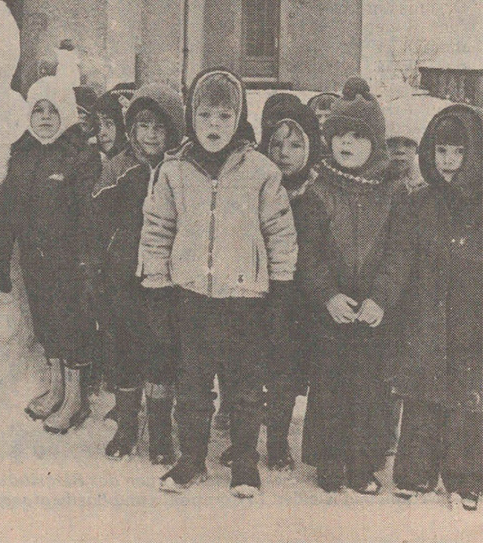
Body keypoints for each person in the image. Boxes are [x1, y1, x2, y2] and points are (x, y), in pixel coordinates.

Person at [139, 68, 296, 497]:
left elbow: (280, 231)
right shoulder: (173, 172)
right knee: (192, 386)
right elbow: (157, 230)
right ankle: (191, 459)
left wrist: (280, 286)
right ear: (192, 117)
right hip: (191, 296)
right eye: (206, 115)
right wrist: (156, 287)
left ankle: (244, 463)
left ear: (239, 118)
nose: (214, 126)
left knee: (246, 387)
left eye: (224, 116)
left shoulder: (261, 171)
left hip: (245, 298)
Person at [372, 104, 483, 510]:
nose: (449, 162)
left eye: (458, 152)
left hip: (473, 321)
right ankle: (415, 474)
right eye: (441, 152)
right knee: (420, 396)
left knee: (468, 401)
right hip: (424, 318)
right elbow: (399, 259)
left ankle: (466, 479)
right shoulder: (417, 204)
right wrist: (384, 300)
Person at [296, 78, 404, 495]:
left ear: (375, 143)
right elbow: (310, 252)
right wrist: (326, 295)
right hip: (334, 310)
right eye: (339, 134)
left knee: (369, 389)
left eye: (358, 136)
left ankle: (362, 463)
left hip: (373, 313)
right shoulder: (318, 190)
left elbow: (400, 254)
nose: (347, 143)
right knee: (330, 386)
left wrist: (381, 298)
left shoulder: (394, 193)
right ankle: (329, 459)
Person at [0, 67, 100, 435]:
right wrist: (0, 256)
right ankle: (56, 387)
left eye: (53, 111)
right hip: (34, 261)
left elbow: (89, 214)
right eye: (38, 111)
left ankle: (75, 397)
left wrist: (87, 262)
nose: (45, 119)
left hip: (69, 263)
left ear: (66, 114)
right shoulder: (22, 154)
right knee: (46, 325)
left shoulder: (80, 157)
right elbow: (6, 209)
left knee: (72, 327)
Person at [93, 83, 185, 462]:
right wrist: (99, 268)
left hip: (165, 281)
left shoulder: (180, 171)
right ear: (131, 128)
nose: (150, 135)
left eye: (159, 127)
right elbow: (96, 223)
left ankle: (161, 433)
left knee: (162, 354)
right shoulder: (118, 168)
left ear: (173, 132)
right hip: (123, 279)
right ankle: (127, 426)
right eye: (144, 125)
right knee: (124, 354)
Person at [255, 94, 322, 471]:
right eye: (276, 144)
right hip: (261, 293)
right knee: (249, 367)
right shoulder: (256, 185)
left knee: (285, 372)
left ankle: (278, 440)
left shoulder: (317, 191)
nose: (284, 153)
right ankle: (243, 434)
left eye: (295, 145)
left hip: (300, 300)